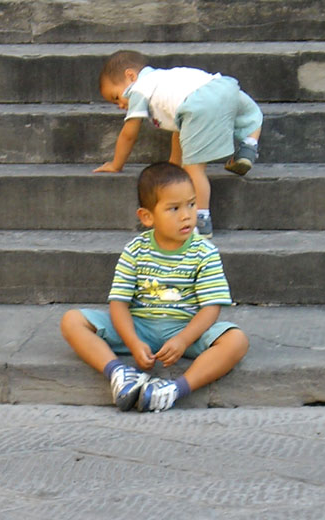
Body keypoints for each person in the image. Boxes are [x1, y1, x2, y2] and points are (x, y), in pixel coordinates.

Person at [61, 162, 249, 412]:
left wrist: (183, 340)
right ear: (147, 216)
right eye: (174, 208)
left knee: (236, 340)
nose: (186, 215)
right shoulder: (135, 250)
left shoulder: (204, 252)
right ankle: (119, 373)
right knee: (72, 321)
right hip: (139, 327)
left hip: (186, 328)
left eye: (192, 204)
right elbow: (119, 303)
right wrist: (133, 342)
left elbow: (211, 307)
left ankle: (173, 389)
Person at [94, 49, 263, 237]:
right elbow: (181, 132)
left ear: (130, 76)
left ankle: (201, 218)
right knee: (250, 113)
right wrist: (173, 167)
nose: (119, 105)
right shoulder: (165, 79)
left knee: (195, 169)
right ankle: (249, 146)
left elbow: (129, 134)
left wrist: (116, 165)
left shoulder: (138, 89)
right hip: (222, 85)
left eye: (116, 97)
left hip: (200, 103)